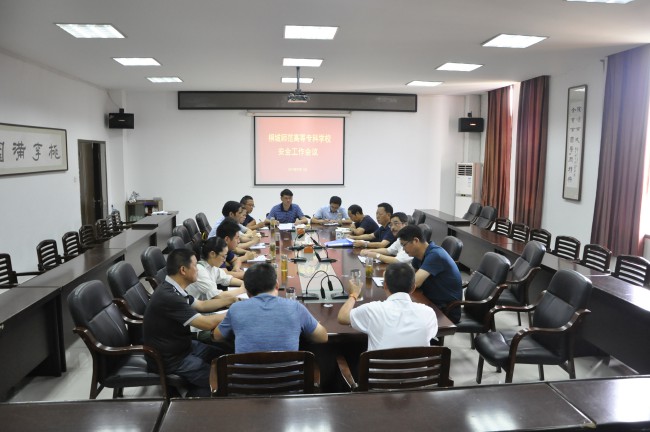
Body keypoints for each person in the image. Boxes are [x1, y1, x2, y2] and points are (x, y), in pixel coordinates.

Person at [143, 248, 236, 397]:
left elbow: (202, 305)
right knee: (221, 379)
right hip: (172, 359)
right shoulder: (169, 297)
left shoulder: (174, 289)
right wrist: (235, 312)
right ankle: (188, 402)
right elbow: (205, 324)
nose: (198, 269)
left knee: (225, 358)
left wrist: (233, 300)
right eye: (195, 265)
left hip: (184, 347)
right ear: (183, 270)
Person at [213, 262, 328, 352]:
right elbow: (323, 337)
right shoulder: (295, 308)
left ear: (247, 291)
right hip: (288, 376)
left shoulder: (236, 309)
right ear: (277, 285)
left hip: (245, 376)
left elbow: (217, 336)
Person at [337, 262, 438, 350]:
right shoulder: (429, 313)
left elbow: (342, 317)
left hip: (379, 367)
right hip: (420, 367)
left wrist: (354, 294)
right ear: (413, 288)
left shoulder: (373, 310)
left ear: (384, 285)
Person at [397, 225, 462, 323]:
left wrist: (394, 282)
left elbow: (415, 282)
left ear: (415, 241)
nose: (403, 249)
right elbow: (411, 276)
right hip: (429, 301)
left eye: (404, 245)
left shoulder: (436, 255)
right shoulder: (419, 255)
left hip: (445, 310)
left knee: (402, 317)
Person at [187, 236, 247, 301]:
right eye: (223, 256)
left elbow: (227, 279)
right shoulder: (200, 270)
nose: (224, 260)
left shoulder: (212, 267)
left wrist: (245, 284)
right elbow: (218, 296)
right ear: (212, 254)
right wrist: (242, 290)